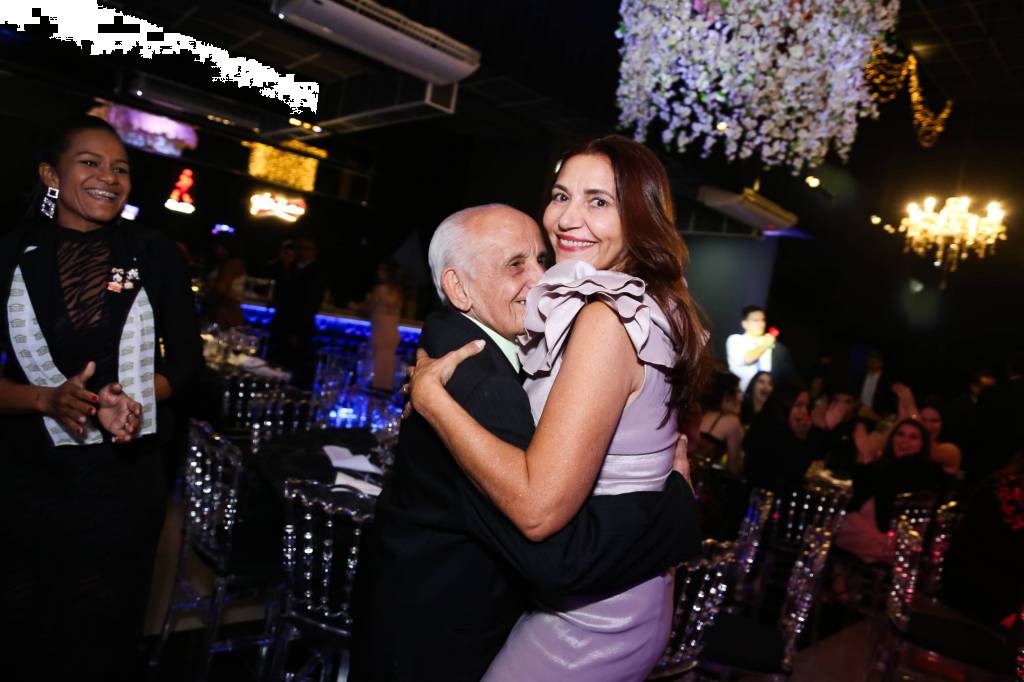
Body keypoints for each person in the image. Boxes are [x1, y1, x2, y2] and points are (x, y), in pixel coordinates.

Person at [350, 203, 701, 682]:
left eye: (540, 259)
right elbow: (558, 559)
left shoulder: (460, 347)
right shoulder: (480, 384)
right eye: (515, 265)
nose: (539, 278)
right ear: (458, 288)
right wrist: (675, 508)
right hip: (435, 646)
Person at [0, 115, 201, 679]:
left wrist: (132, 398)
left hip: (124, 479)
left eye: (121, 169)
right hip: (27, 475)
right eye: (90, 163)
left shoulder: (153, 252)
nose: (109, 178)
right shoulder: (10, 253)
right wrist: (44, 401)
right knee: (22, 623)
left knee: (104, 631)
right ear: (50, 174)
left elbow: (188, 366)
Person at [836, 419, 949, 564]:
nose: (904, 441)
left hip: (892, 542)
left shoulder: (922, 469)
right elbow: (857, 496)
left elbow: (885, 496)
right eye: (900, 434)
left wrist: (867, 458)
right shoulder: (883, 465)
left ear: (922, 444)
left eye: (913, 437)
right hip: (871, 536)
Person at [270, 235, 325, 386]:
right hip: (282, 322)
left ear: (314, 251)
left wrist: (296, 329)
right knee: (277, 362)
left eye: (305, 248)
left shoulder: (315, 272)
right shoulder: (292, 267)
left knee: (292, 365)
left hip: (298, 326)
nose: (301, 252)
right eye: (299, 248)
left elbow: (308, 303)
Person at [744, 384, 819, 491]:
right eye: (798, 405)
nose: (805, 411)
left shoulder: (795, 432)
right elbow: (786, 474)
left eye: (806, 406)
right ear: (784, 404)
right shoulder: (764, 428)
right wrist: (799, 438)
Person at [350, 261, 403, 391]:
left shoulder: (379, 289)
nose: (379, 273)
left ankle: (375, 391)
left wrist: (354, 307)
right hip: (393, 331)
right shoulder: (398, 292)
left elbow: (367, 308)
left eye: (382, 270)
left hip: (381, 331)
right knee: (387, 365)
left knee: (377, 364)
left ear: (388, 273)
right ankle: (384, 392)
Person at [892, 383, 962, 475]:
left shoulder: (950, 451)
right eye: (923, 420)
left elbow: (925, 447)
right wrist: (902, 417)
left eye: (935, 421)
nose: (928, 426)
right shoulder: (904, 445)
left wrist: (911, 406)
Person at [695, 369, 744, 475]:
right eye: (738, 391)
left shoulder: (702, 414)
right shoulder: (732, 423)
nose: (741, 397)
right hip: (703, 480)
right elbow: (734, 468)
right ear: (727, 396)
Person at [726, 305, 774, 391]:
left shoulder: (768, 341)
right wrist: (766, 344)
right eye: (756, 320)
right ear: (744, 324)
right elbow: (747, 359)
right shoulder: (736, 339)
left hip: (763, 393)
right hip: (740, 392)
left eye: (763, 320)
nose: (761, 324)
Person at [205, 234, 246, 328]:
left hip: (225, 311)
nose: (215, 250)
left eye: (217, 247)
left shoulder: (230, 264)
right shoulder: (235, 263)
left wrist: (207, 300)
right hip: (228, 309)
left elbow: (220, 289)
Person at [856, 350, 895, 418]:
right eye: (870, 360)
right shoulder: (860, 375)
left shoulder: (887, 380)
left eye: (875, 361)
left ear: (881, 363)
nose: (872, 363)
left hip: (876, 415)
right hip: (859, 412)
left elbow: (889, 401)